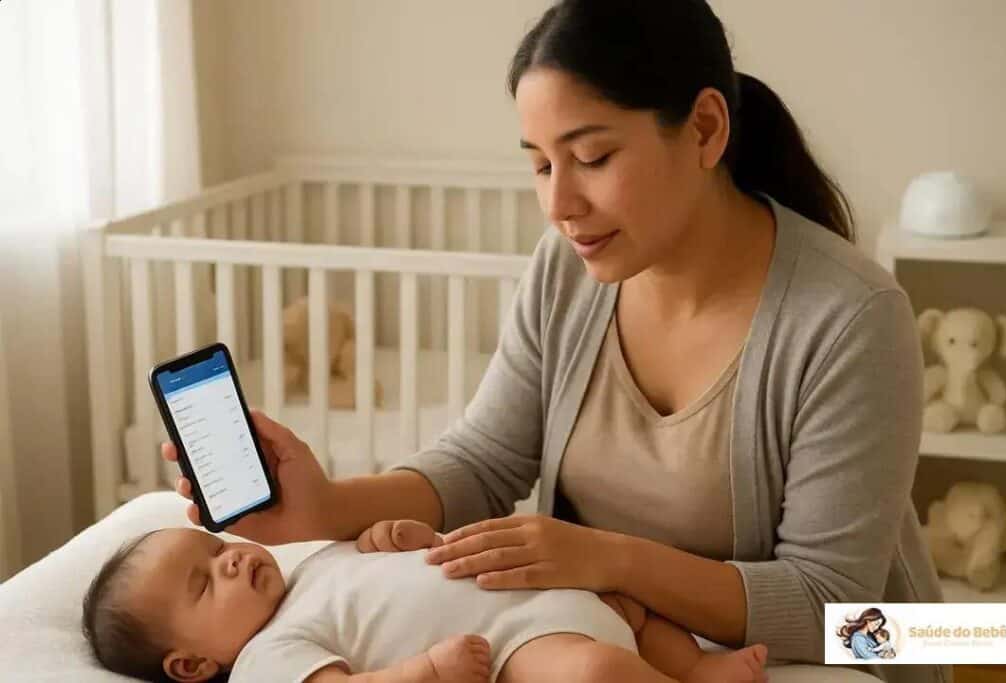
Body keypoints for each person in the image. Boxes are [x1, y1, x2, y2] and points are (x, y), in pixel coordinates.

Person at [164, 2, 949, 682]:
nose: (559, 203)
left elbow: (833, 605)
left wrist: (605, 556)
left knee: (984, 633)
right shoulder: (568, 271)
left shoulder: (852, 317)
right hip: (626, 632)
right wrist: (325, 504)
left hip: (861, 634)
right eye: (540, 165)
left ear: (706, 128)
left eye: (592, 157)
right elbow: (483, 459)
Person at [81, 522, 768, 682]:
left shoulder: (314, 563)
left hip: (561, 588)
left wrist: (390, 537)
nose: (228, 556)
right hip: (516, 639)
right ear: (193, 664)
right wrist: (428, 673)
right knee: (593, 672)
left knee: (639, 614)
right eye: (205, 581)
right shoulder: (268, 654)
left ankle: (692, 666)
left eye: (213, 544)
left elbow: (842, 600)